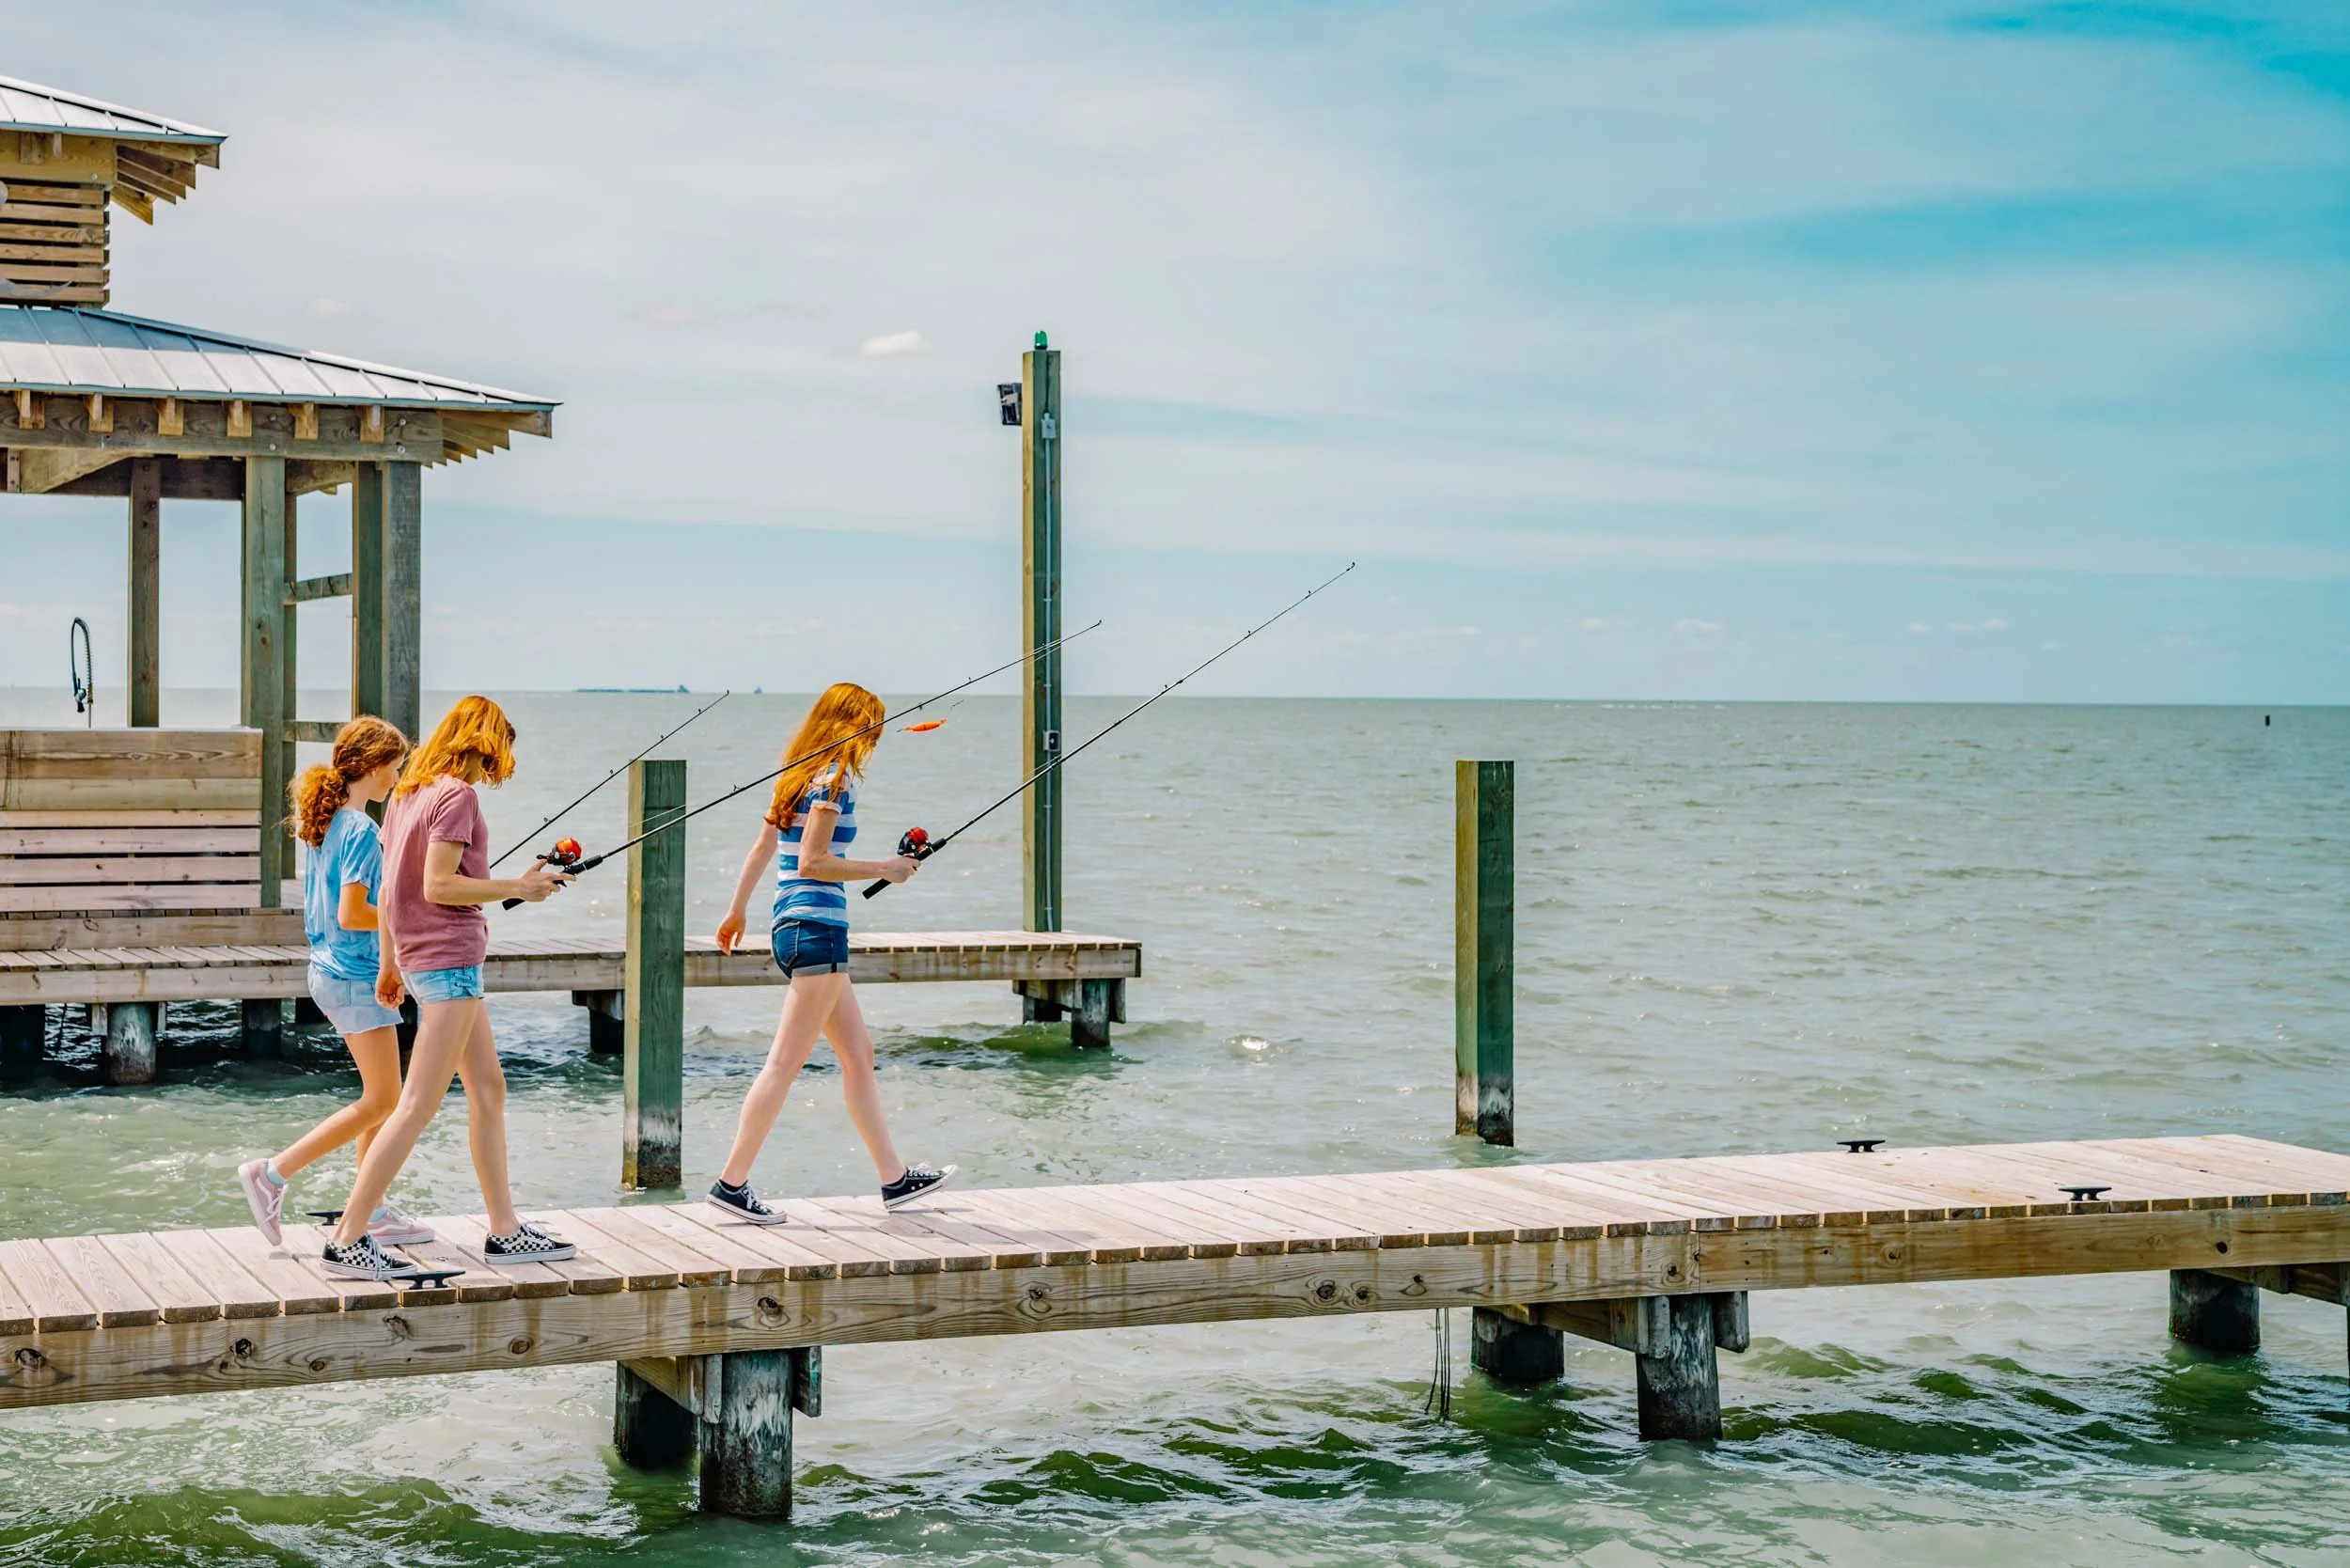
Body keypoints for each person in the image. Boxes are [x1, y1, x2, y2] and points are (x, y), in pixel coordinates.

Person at [318, 696, 576, 1280]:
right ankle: (348, 1238)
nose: (493, 772)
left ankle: (505, 1231)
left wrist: (389, 966)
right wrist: (522, 887)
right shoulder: (456, 795)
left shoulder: (407, 797)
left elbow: (389, 893)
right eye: (494, 758)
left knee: (489, 1090)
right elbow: (438, 886)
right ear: (482, 744)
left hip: (422, 961)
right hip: (449, 962)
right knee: (416, 1104)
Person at [707, 682, 955, 1224]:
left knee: (858, 1054)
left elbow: (764, 850)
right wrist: (886, 868)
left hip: (796, 924)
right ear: (850, 724)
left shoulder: (797, 776)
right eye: (871, 726)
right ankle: (731, 1183)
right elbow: (815, 862)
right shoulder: (832, 780)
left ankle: (894, 1180)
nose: (874, 738)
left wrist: (737, 910)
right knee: (783, 1063)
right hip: (815, 926)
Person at [235, 715, 434, 1249]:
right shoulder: (363, 829)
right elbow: (353, 912)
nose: (396, 779)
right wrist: (409, 908)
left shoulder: (328, 822)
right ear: (371, 767)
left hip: (331, 969)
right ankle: (271, 1174)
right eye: (394, 768)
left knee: (382, 1098)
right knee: (382, 1101)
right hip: (350, 974)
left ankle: (372, 1208)